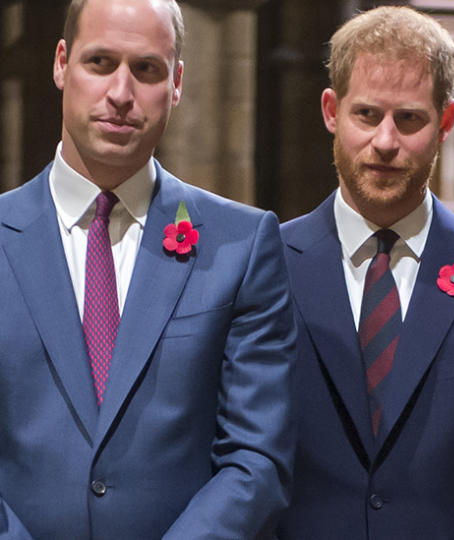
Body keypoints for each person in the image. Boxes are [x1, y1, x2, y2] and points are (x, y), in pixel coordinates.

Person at [0, 0, 297, 538]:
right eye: (100, 62)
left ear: (177, 81)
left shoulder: (242, 245)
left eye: (146, 69)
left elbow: (256, 457)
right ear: (61, 63)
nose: (120, 93)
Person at [276, 6, 454, 540]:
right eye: (366, 115)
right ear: (331, 111)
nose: (385, 142)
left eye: (409, 119)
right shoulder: (264, 266)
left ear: (447, 121)